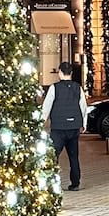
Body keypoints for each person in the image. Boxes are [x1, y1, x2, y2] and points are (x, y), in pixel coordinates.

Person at [42, 61, 87, 191]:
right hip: (74, 127)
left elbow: (46, 107)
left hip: (58, 128)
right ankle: (75, 183)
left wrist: (41, 122)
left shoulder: (54, 88)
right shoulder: (78, 87)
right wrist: (83, 124)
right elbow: (83, 107)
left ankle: (51, 181)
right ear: (71, 73)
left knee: (53, 155)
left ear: (60, 73)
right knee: (73, 156)